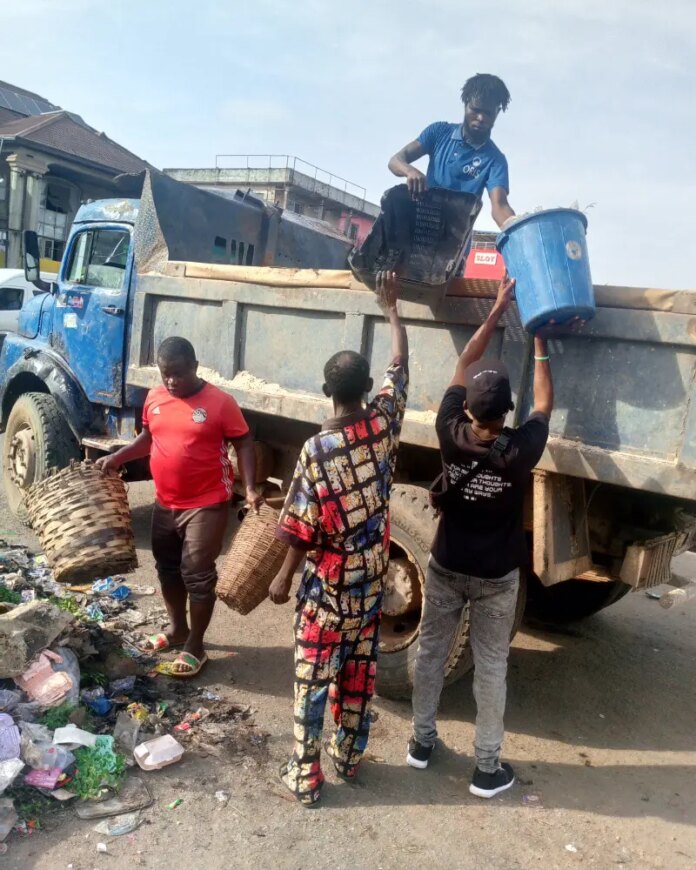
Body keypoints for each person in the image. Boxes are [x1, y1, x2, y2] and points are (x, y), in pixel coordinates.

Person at [407, 274, 553, 798]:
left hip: (446, 565)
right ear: (505, 412)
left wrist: (495, 312)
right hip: (497, 577)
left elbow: (464, 363)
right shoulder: (522, 449)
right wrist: (538, 342)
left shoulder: (450, 432)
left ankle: (422, 745)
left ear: (468, 407)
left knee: (430, 654)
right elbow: (544, 404)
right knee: (491, 668)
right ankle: (487, 770)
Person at [268, 272, 408, 806]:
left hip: (326, 596)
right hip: (370, 590)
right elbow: (401, 364)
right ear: (366, 389)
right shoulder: (384, 425)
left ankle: (305, 777)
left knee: (312, 682)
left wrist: (282, 580)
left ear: (327, 391)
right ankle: (348, 758)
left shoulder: (317, 450)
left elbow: (301, 529)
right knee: (357, 676)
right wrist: (392, 310)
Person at [96, 336, 263, 677]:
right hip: (165, 502)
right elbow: (149, 437)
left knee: (197, 573)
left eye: (178, 374)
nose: (170, 381)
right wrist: (117, 457)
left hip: (206, 504)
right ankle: (178, 629)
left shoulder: (220, 403)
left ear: (195, 367)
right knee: (167, 568)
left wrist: (250, 487)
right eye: (165, 373)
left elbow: (244, 442)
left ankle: (196, 646)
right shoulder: (155, 398)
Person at [388, 73, 515, 229]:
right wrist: (410, 171)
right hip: (421, 227)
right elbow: (395, 161)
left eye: (488, 113)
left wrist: (517, 227)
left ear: (497, 112)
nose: (481, 118)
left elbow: (500, 206)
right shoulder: (438, 132)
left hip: (454, 242)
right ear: (465, 104)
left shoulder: (496, 160)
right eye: (476, 110)